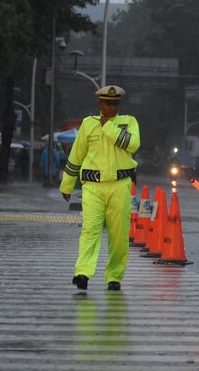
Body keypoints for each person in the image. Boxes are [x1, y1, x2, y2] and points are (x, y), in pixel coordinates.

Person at [60, 85, 140, 291]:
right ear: (99, 104)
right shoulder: (88, 124)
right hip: (93, 188)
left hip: (120, 186)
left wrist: (108, 128)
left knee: (119, 235)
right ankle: (83, 273)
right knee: (90, 230)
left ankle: (114, 276)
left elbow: (133, 145)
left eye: (115, 103)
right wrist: (67, 185)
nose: (112, 107)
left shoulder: (128, 122)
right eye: (107, 103)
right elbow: (75, 157)